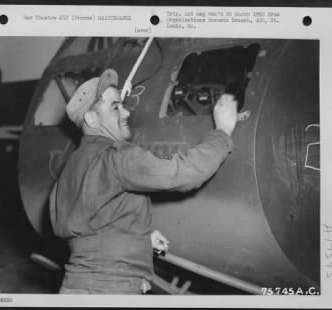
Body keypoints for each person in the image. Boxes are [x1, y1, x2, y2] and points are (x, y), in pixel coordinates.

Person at [49, 68, 238, 294]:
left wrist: (140, 238)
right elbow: (186, 172)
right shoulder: (116, 155)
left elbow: (88, 223)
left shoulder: (70, 166)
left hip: (77, 287)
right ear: (91, 118)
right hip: (110, 289)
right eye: (115, 107)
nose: (126, 113)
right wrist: (223, 131)